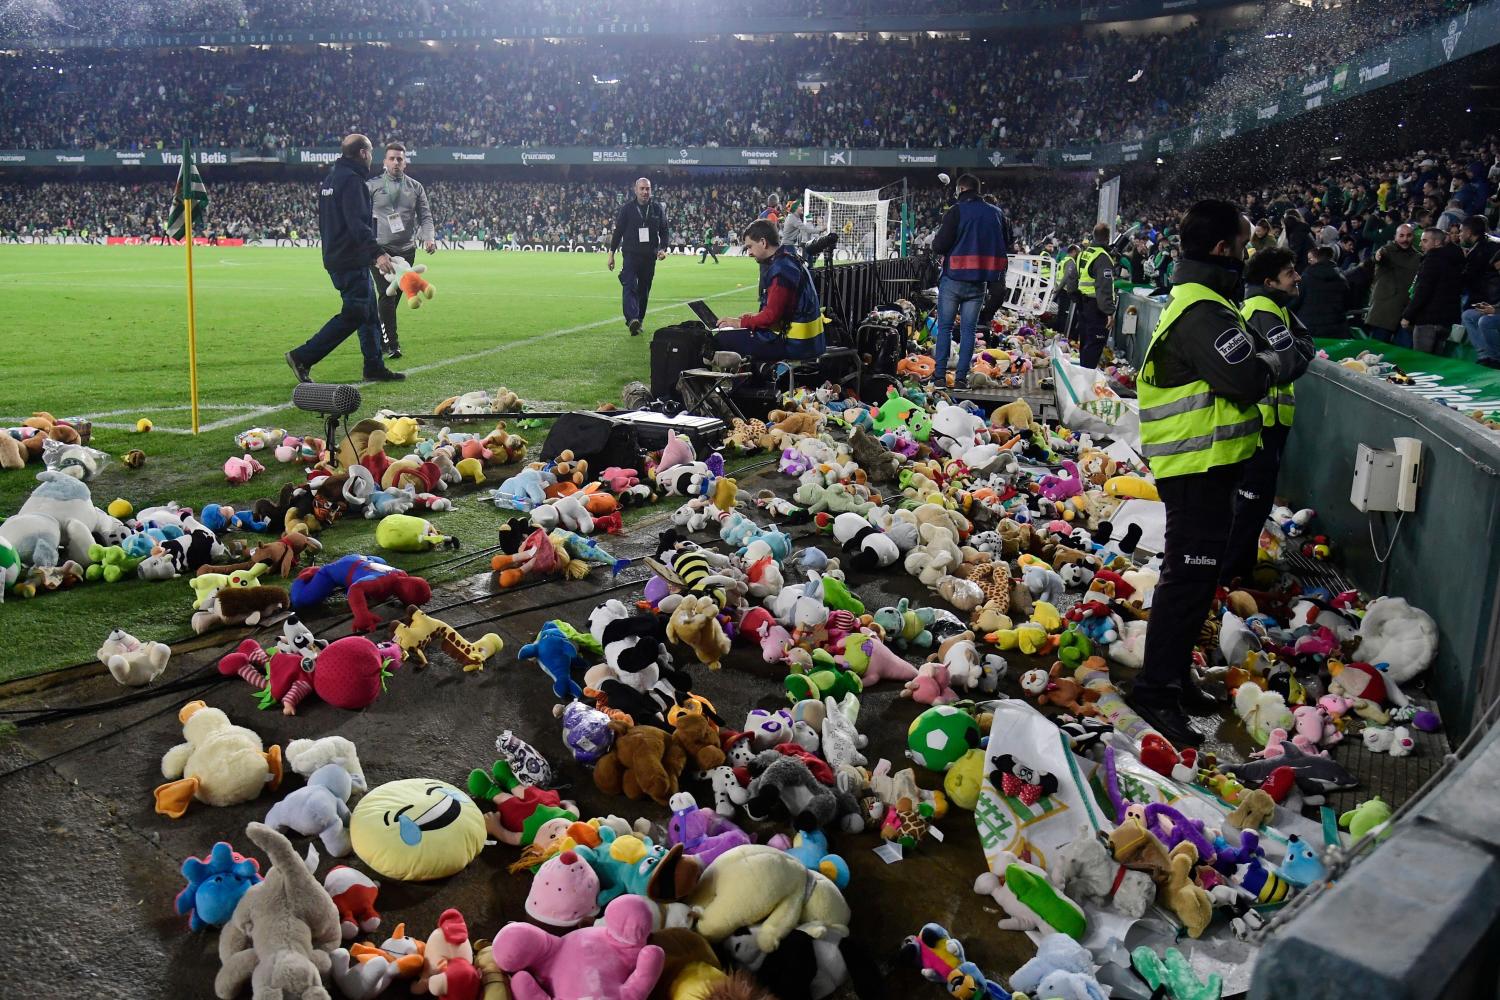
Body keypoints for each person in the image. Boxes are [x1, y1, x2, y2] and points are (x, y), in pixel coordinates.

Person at [1132, 199, 1281, 747]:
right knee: (1186, 578)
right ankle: (1152, 691)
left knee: (1198, 580)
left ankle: (1173, 677)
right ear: (1223, 249)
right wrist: (1276, 363)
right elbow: (1245, 379)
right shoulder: (1202, 312)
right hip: (1195, 469)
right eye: (1243, 246)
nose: (1247, 256)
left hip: (1210, 467)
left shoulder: (1208, 305)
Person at [1220, 247, 1315, 585]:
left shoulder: (1272, 308)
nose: (1298, 277)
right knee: (1250, 504)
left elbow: (1301, 343)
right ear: (1269, 281)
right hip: (1262, 423)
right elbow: (1292, 359)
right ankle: (1231, 577)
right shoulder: (1264, 310)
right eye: (1290, 272)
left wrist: (1301, 346)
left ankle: (1235, 571)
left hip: (1266, 422)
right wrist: (1302, 349)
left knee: (1252, 505)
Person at [285, 133, 401, 384]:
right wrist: (378, 253)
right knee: (356, 312)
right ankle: (302, 356)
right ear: (362, 153)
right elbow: (357, 224)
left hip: (338, 255)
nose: (372, 157)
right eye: (370, 151)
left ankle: (374, 366)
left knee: (369, 312)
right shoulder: (351, 181)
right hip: (349, 259)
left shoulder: (332, 179)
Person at [929, 174, 1008, 386]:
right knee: (968, 331)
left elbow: (939, 245)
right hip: (980, 281)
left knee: (945, 328)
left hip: (954, 278)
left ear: (961, 189)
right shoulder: (997, 213)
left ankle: (939, 377)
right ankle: (962, 378)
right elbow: (1007, 241)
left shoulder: (956, 211)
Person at [712, 220, 825, 361]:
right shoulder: (791, 259)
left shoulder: (781, 270)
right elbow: (782, 310)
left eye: (750, 247)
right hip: (810, 342)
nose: (749, 253)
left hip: (794, 345)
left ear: (763, 242)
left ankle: (740, 382)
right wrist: (753, 317)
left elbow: (771, 317)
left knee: (720, 339)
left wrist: (737, 323)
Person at [367, 141, 435, 360]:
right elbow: (362, 217)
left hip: (406, 251)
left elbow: (425, 216)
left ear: (405, 162)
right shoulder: (372, 185)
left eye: (400, 159)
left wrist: (429, 237)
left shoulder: (416, 187)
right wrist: (370, 248)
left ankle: (376, 335)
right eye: (392, 158)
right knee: (387, 295)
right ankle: (392, 344)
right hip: (381, 251)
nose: (396, 162)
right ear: (385, 161)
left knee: (393, 299)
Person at [607, 177, 669, 337]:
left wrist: (663, 248)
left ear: (651, 190)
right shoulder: (627, 209)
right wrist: (611, 253)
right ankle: (632, 318)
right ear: (635, 190)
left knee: (644, 290)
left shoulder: (657, 209)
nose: (645, 192)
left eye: (647, 189)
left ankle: (639, 320)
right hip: (631, 255)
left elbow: (664, 230)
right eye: (642, 188)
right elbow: (618, 231)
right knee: (629, 285)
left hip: (649, 256)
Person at [1403, 226, 1466, 353]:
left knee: (1422, 364)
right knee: (1436, 366)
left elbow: (1422, 290)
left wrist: (1407, 315)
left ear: (1437, 242)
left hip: (1427, 320)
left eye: (1425, 241)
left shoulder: (1432, 260)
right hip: (1446, 321)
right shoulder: (1454, 260)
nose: (1420, 244)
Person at [1366, 224, 1420, 343]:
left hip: (1406, 315)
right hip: (1384, 312)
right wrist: (1377, 256)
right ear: (1395, 237)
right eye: (1401, 235)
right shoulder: (1386, 250)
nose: (1405, 239)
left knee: (1401, 356)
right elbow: (1377, 256)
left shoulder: (1418, 257)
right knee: (1375, 352)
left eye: (1408, 235)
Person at [1076, 223, 1117, 371]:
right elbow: (1104, 287)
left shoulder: (1084, 253)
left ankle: (1082, 378)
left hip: (1083, 304)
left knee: (1086, 343)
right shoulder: (1102, 258)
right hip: (1097, 307)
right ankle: (1086, 382)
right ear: (1107, 238)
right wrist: (1109, 312)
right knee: (1094, 344)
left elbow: (1074, 279)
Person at [1293, 246, 1350, 339]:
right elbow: (1347, 304)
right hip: (1335, 329)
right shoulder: (1341, 278)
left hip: (1309, 327)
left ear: (1317, 257)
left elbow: (1296, 300)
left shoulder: (1307, 276)